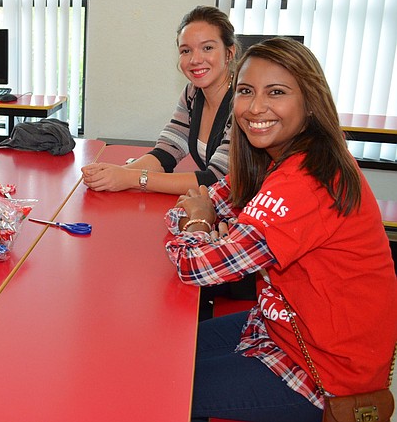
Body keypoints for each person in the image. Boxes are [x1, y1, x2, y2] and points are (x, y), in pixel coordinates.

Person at [165, 37, 397, 422]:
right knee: (167, 351)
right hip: (277, 328)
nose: (256, 107)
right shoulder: (274, 160)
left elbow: (196, 265)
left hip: (321, 373)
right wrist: (201, 219)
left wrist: (202, 221)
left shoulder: (308, 180)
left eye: (276, 92)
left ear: (310, 103)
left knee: (166, 383)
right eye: (245, 91)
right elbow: (191, 205)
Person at [82, 5, 236, 195]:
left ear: (229, 53)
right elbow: (167, 151)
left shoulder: (244, 103)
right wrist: (116, 173)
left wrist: (131, 178)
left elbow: (217, 180)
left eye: (207, 48)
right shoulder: (192, 93)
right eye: (186, 51)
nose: (195, 59)